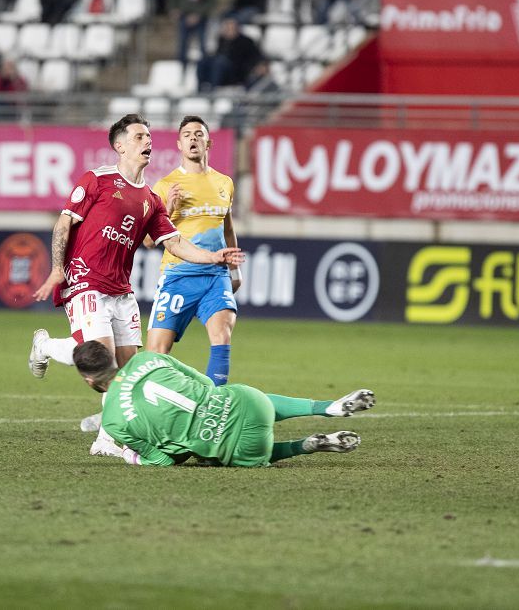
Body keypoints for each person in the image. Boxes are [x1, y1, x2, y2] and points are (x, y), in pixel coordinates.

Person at [28, 114, 245, 455]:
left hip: (121, 291)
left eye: (149, 136)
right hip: (86, 281)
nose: (148, 141)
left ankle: (105, 441)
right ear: (120, 145)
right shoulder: (97, 180)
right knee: (103, 362)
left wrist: (213, 257)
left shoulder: (150, 199)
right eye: (140, 136)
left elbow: (174, 243)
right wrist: (58, 269)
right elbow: (63, 224)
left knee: (129, 376)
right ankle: (44, 347)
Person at [73, 340, 375, 467]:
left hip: (237, 445)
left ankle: (304, 445)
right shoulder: (147, 357)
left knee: (214, 453)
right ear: (112, 356)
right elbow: (205, 383)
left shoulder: (112, 420)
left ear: (90, 381)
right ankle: (326, 407)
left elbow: (164, 461)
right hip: (250, 402)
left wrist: (130, 456)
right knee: (243, 400)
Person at [144, 116, 239, 386]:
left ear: (209, 142)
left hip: (215, 276)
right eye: (187, 134)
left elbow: (228, 228)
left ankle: (213, 407)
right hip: (178, 275)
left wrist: (235, 269)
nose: (193, 138)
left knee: (222, 336)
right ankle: (136, 406)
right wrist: (170, 209)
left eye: (199, 134)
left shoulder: (225, 183)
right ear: (179, 144)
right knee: (157, 353)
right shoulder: (165, 186)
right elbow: (149, 242)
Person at [196, 17, 261, 92]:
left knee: (219, 62)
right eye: (227, 27)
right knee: (203, 60)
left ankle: (213, 90)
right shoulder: (222, 39)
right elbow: (217, 53)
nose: (229, 30)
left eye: (231, 27)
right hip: (220, 68)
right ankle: (200, 88)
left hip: (236, 71)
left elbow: (256, 57)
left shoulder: (246, 41)